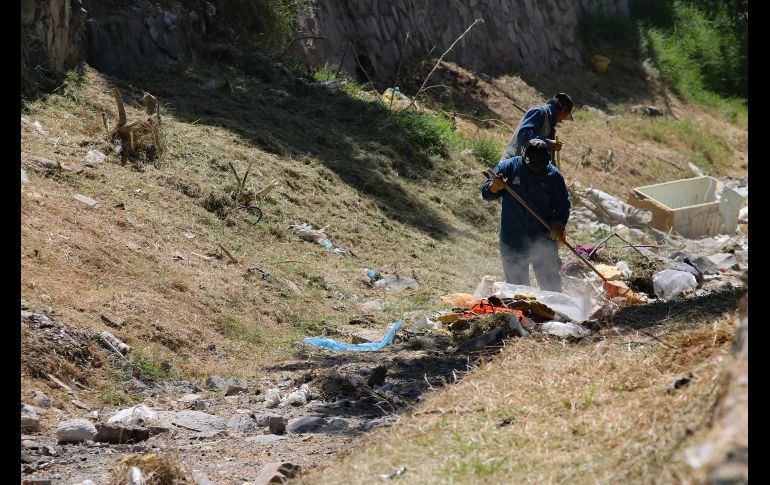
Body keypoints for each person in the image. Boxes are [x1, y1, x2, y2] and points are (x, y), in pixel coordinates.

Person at [482, 139, 571, 292]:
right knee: (517, 289)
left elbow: (563, 205)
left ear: (548, 159)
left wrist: (559, 223)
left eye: (541, 164)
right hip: (513, 238)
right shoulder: (509, 168)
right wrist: (493, 187)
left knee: (551, 285)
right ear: (524, 155)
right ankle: (524, 315)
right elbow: (486, 193)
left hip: (543, 239)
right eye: (532, 163)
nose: (536, 168)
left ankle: (554, 312)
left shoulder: (554, 176)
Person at [500, 93, 574, 162]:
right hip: (511, 166)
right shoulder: (539, 112)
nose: (561, 121)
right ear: (563, 110)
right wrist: (549, 143)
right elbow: (524, 135)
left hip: (523, 170)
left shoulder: (549, 123)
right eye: (564, 116)